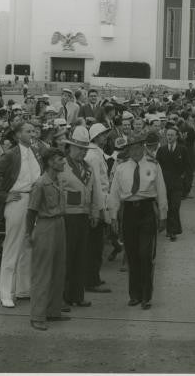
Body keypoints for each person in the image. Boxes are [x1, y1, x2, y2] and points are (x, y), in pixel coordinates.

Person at [0, 122, 43, 308]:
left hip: (33, 202)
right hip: (17, 201)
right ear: (17, 135)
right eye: (28, 131)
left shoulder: (35, 152)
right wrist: (4, 196)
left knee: (28, 246)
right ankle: (6, 292)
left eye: (33, 130)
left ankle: (23, 289)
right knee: (12, 246)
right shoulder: (11, 154)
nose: (32, 133)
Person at [107, 132, 168, 310]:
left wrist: (163, 215)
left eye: (137, 147)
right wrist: (113, 216)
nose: (134, 151)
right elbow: (114, 194)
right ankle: (134, 294)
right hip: (129, 213)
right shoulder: (121, 168)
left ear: (143, 147)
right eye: (131, 148)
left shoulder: (154, 165)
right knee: (132, 255)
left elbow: (161, 190)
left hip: (147, 210)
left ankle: (146, 296)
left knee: (145, 254)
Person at [25, 148, 69, 331]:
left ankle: (52, 310)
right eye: (60, 159)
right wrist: (29, 234)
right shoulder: (41, 184)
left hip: (59, 224)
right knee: (42, 272)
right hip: (45, 226)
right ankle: (37, 315)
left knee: (58, 269)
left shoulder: (57, 180)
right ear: (50, 162)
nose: (63, 162)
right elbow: (31, 212)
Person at [61, 126, 98, 308]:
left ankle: (77, 295)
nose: (82, 152)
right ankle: (63, 297)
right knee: (66, 257)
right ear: (70, 147)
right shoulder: (62, 165)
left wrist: (95, 212)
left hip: (83, 216)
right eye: (79, 148)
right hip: (67, 217)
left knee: (80, 257)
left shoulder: (88, 167)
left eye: (85, 149)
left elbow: (94, 191)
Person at [84, 123, 115, 293]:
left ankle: (93, 276)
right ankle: (91, 280)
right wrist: (100, 209)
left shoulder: (96, 153)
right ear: (95, 137)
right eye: (102, 135)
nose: (105, 137)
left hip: (101, 198)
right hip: (98, 202)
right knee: (94, 245)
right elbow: (95, 183)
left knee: (97, 243)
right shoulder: (93, 156)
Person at [156, 125, 188, 241]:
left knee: (175, 206)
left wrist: (184, 182)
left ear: (176, 137)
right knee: (168, 207)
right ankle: (172, 230)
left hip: (177, 184)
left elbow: (187, 167)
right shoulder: (162, 150)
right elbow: (157, 167)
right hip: (164, 184)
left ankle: (172, 231)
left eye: (172, 135)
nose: (169, 137)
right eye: (168, 135)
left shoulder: (182, 149)